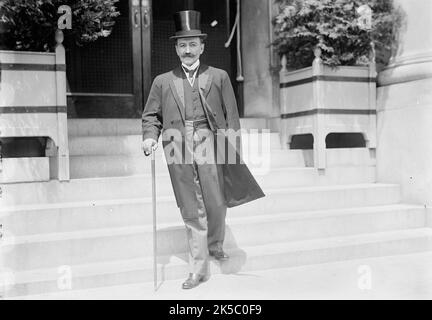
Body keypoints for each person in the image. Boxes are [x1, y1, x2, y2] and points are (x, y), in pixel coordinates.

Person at [142, 10, 264, 289]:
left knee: (216, 200)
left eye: (193, 44)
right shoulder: (163, 81)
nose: (188, 50)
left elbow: (231, 115)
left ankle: (215, 243)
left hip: (210, 140)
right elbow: (151, 116)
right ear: (176, 48)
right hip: (176, 142)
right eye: (182, 45)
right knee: (189, 204)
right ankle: (199, 269)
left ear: (202, 47)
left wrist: (234, 150)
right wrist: (150, 137)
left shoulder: (219, 76)